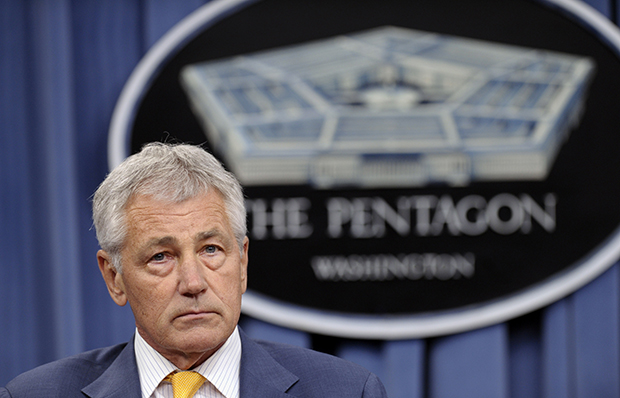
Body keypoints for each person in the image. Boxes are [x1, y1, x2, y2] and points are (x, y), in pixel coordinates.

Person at [1, 143, 387, 398]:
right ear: (114, 277)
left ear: (243, 263)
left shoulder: (347, 391)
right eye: (161, 257)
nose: (194, 283)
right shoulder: (34, 395)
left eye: (211, 250)